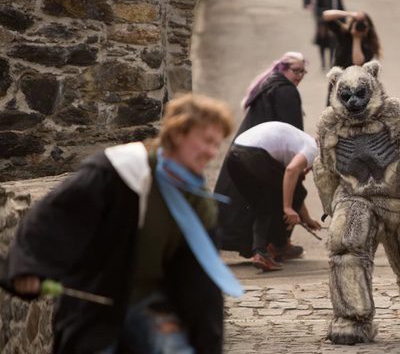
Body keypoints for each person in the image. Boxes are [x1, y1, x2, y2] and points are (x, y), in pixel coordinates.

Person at [1, 94, 239, 353]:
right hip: (95, 305)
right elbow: (53, 217)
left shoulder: (197, 201)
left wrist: (208, 343)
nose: (212, 152)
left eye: (217, 144)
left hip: (153, 306)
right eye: (206, 140)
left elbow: (202, 280)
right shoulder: (118, 170)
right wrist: (29, 267)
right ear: (179, 132)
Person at [214, 52, 309, 261]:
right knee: (293, 193)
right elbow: (292, 130)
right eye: (296, 70)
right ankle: (279, 244)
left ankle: (271, 244)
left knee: (260, 200)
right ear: (283, 69)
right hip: (260, 157)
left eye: (303, 71)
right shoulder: (285, 91)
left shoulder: (269, 85)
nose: (300, 75)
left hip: (247, 152)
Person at [224, 121, 321, 272]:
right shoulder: (314, 149)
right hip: (254, 155)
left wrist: (307, 219)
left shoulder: (298, 143)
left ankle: (261, 252)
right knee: (289, 195)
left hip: (234, 155)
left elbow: (292, 182)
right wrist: (288, 208)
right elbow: (291, 170)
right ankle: (278, 245)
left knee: (263, 205)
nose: (308, 172)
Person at [321, 9, 382, 105]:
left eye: (363, 25)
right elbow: (325, 15)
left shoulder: (369, 45)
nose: (360, 27)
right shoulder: (344, 35)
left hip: (356, 89)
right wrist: (351, 14)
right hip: (337, 85)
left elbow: (357, 62)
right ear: (352, 24)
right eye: (357, 24)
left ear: (368, 28)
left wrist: (357, 38)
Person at [303, 0, 344, 70]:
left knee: (333, 37)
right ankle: (322, 63)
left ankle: (332, 62)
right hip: (320, 10)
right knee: (322, 37)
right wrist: (307, 3)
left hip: (333, 9)